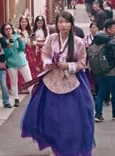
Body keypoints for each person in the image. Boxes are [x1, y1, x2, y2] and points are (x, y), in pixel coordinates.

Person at [21, 11, 95, 156]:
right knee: (50, 115)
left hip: (73, 80)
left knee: (73, 116)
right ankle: (55, 146)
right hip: (52, 79)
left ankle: (70, 145)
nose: (63, 25)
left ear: (71, 24)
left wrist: (68, 65)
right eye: (60, 22)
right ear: (56, 24)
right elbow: (45, 54)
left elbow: (82, 63)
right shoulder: (52, 38)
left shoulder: (79, 42)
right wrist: (49, 63)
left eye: (66, 22)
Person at [93, 19, 115, 122]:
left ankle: (98, 115)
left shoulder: (96, 39)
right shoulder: (113, 41)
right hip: (111, 71)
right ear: (108, 29)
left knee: (101, 92)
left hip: (99, 70)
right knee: (114, 93)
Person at [1, 22, 33, 107]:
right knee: (14, 81)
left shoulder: (17, 36)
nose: (8, 31)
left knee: (29, 80)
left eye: (9, 29)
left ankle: (33, 97)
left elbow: (22, 49)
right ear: (3, 31)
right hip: (11, 64)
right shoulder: (3, 41)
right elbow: (6, 54)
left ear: (12, 29)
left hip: (22, 61)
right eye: (6, 29)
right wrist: (9, 47)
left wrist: (21, 41)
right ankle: (16, 99)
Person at [17, 16, 35, 92]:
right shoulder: (17, 31)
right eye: (22, 22)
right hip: (21, 51)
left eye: (25, 22)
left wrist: (32, 40)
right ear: (20, 23)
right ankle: (22, 87)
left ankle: (29, 86)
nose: (24, 23)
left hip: (28, 51)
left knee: (29, 68)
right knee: (20, 68)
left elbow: (30, 42)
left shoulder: (30, 31)